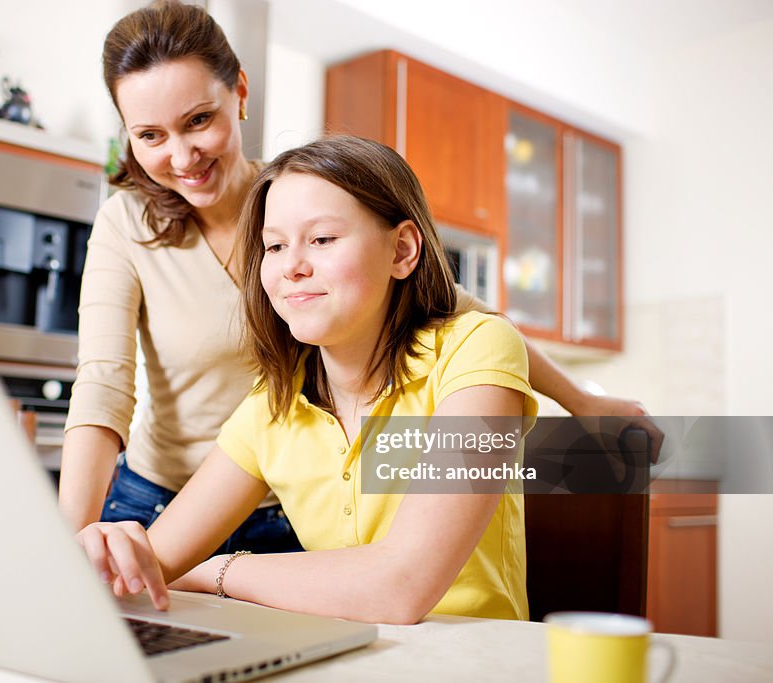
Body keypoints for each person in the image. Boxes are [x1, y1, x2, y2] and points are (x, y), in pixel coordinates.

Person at [59, 0, 658, 546]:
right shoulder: (125, 226)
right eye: (150, 136)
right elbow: (103, 387)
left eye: (198, 120)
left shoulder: (296, 200)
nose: (182, 157)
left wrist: (581, 401)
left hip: (295, 503)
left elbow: (457, 307)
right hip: (160, 502)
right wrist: (69, 541)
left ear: (240, 92)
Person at [77, 135, 538, 624]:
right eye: (274, 245)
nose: (292, 267)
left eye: (322, 239)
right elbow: (155, 562)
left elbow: (402, 587)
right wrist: (113, 549)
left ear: (402, 250)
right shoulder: (273, 404)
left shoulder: (476, 349)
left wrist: (221, 569)